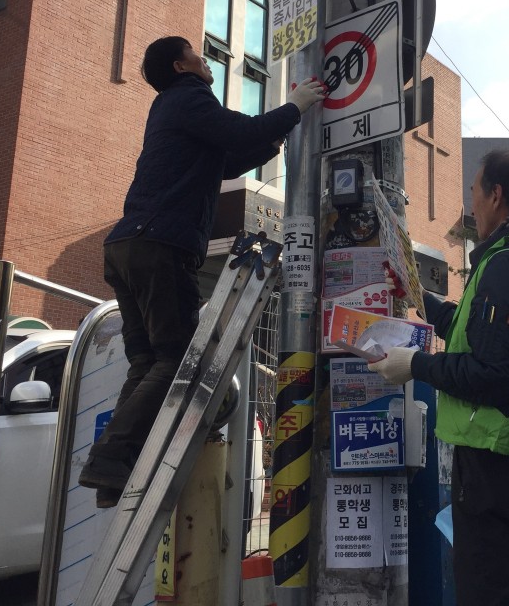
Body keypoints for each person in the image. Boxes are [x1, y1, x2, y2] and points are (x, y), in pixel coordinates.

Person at [78, 36, 326, 508]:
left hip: (128, 245)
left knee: (148, 362)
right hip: (160, 244)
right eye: (196, 53)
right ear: (181, 66)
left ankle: (112, 471)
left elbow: (228, 158)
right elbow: (235, 134)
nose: (205, 59)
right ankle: (110, 456)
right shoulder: (190, 97)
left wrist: (272, 136)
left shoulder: (170, 110)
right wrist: (293, 107)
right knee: (174, 360)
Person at [367, 149, 509, 606]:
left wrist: (413, 365)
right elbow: (479, 337)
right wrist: (417, 296)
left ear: (497, 195)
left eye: (475, 192)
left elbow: (494, 373)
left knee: (491, 590)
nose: (472, 204)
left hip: (497, 460)